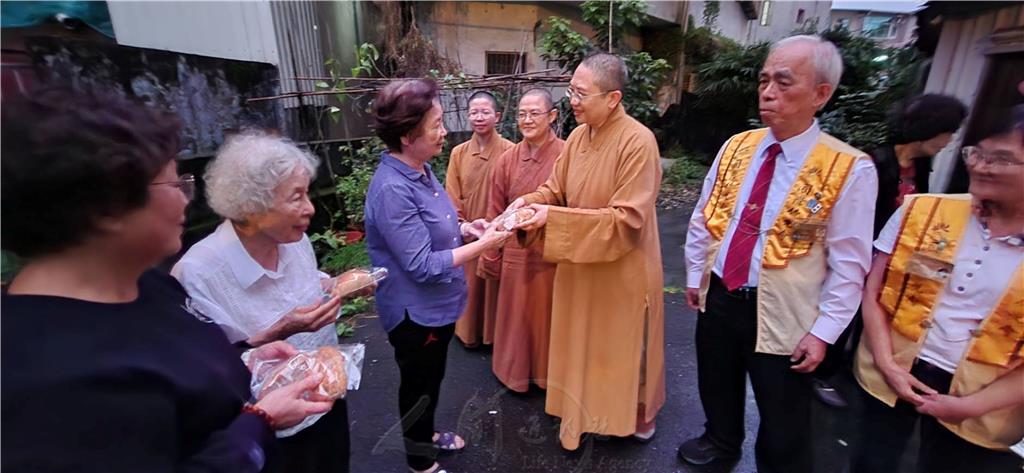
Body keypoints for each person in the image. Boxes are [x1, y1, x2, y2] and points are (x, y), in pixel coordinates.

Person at [1, 87, 330, 472]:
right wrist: (259, 423)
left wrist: (245, 358)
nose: (187, 199)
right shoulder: (50, 379)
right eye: (175, 184)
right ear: (108, 206)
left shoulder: (146, 285)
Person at [680, 35, 878, 473]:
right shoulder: (738, 146)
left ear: (821, 94)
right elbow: (705, 214)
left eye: (784, 82)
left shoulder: (848, 168)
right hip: (722, 290)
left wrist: (825, 332)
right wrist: (696, 274)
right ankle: (720, 440)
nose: (768, 91)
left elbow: (850, 262)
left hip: (787, 310)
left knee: (783, 405)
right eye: (765, 80)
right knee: (716, 378)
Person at [172, 131, 360, 473]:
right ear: (252, 207)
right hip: (266, 429)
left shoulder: (293, 241)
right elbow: (210, 370)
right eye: (296, 197)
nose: (310, 208)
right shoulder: (197, 274)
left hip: (327, 399)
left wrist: (340, 286)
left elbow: (308, 284)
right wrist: (281, 330)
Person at [850, 111, 1024, 473]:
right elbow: (875, 289)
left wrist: (970, 407)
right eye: (977, 153)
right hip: (895, 369)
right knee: (871, 462)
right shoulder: (923, 210)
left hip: (986, 398)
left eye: (1002, 159)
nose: (983, 166)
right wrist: (886, 362)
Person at [509, 52, 666, 449]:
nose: (572, 101)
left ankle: (632, 416)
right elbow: (556, 190)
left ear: (612, 99)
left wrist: (552, 218)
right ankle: (580, 415)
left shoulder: (638, 142)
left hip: (621, 269)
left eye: (581, 94)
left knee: (622, 350)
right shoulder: (578, 137)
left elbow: (627, 221)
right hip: (579, 262)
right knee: (580, 344)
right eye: (570, 91)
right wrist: (529, 203)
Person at [364, 78, 513, 473]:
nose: (445, 131)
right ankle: (420, 462)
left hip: (438, 307)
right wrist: (486, 246)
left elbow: (438, 226)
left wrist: (468, 229)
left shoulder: (422, 170)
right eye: (436, 124)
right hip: (415, 314)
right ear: (409, 135)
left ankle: (425, 436)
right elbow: (423, 265)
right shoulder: (392, 189)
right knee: (418, 385)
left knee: (431, 381)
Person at [813, 93, 968, 408]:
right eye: (947, 131)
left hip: (897, 257)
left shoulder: (922, 165)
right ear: (929, 127)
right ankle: (821, 373)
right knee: (849, 309)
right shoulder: (875, 162)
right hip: (865, 253)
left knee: (880, 315)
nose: (949, 140)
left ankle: (856, 366)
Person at [479, 88, 564, 392]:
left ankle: (547, 375)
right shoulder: (507, 159)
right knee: (515, 316)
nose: (527, 120)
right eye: (521, 114)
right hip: (515, 251)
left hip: (552, 250)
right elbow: (495, 209)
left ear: (552, 116)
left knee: (547, 317)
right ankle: (512, 373)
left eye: (534, 113)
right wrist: (491, 252)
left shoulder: (566, 155)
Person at [446, 90, 515, 348]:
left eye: (485, 112)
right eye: (474, 112)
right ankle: (468, 332)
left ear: (497, 116)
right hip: (468, 231)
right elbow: (452, 194)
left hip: (498, 231)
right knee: (469, 284)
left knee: (494, 285)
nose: (479, 117)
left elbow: (515, 193)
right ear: (468, 116)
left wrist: (498, 226)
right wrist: (461, 224)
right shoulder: (458, 153)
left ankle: (493, 334)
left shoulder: (511, 151)